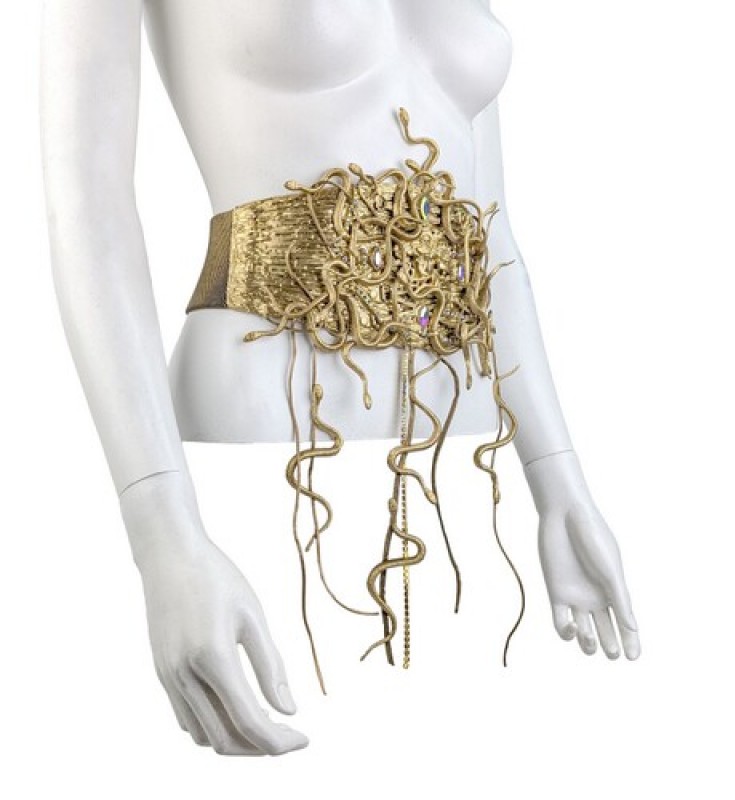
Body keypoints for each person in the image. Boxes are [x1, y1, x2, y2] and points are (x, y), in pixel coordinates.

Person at [40, 0, 640, 757]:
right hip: (262, 467)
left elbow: (488, 233)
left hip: (480, 490)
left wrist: (559, 482)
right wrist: (162, 538)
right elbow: (88, 208)